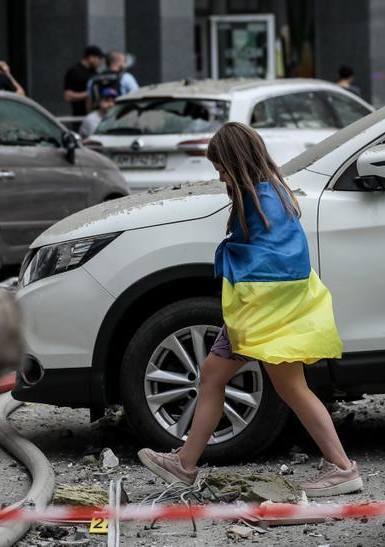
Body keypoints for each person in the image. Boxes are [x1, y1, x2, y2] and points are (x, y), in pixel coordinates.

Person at [137, 123, 363, 498]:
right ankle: (185, 464)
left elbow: (263, 265)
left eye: (222, 167)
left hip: (262, 312)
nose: (221, 175)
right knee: (235, 379)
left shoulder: (257, 199)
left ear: (237, 162)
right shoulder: (273, 191)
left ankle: (341, 468)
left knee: (252, 383)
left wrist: (240, 302)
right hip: (279, 308)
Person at [63, 44, 103, 117]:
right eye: (99, 58)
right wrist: (89, 93)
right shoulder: (74, 71)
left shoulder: (95, 73)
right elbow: (68, 96)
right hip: (80, 116)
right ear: (91, 57)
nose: (100, 62)